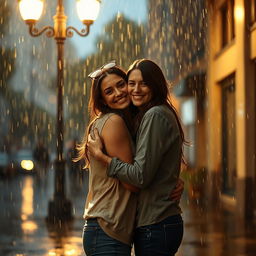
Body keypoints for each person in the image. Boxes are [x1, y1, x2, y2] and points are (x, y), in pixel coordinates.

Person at [77, 61, 184, 256]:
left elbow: (142, 172)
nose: (120, 92)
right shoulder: (115, 122)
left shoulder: (144, 117)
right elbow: (136, 182)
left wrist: (168, 180)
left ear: (154, 84)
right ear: (102, 99)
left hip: (121, 227)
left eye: (121, 84)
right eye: (109, 91)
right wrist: (102, 158)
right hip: (109, 228)